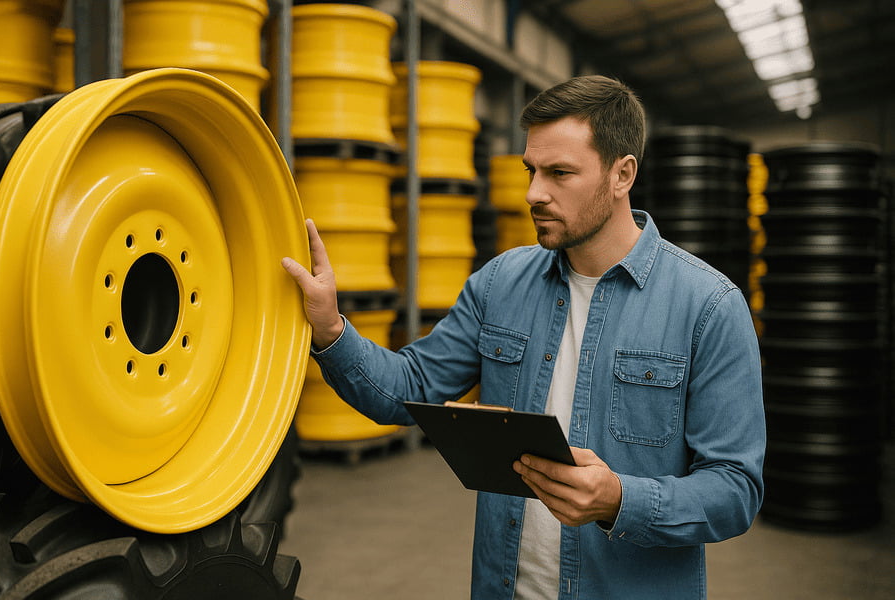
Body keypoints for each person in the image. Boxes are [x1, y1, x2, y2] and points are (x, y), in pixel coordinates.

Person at [281, 75, 765, 600]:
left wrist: (620, 499)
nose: (534, 193)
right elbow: (410, 387)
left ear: (622, 174)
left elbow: (735, 489)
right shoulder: (500, 283)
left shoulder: (709, 307)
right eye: (531, 170)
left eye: (560, 173)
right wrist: (330, 327)